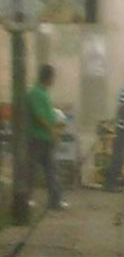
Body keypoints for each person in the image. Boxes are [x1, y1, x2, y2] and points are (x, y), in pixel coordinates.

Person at [27, 64, 66, 210]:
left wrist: (55, 127)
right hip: (37, 137)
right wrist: (51, 128)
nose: (54, 81)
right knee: (32, 169)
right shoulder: (36, 93)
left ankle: (55, 200)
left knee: (52, 170)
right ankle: (26, 198)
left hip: (47, 138)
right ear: (48, 77)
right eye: (53, 77)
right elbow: (39, 115)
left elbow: (47, 114)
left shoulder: (43, 93)